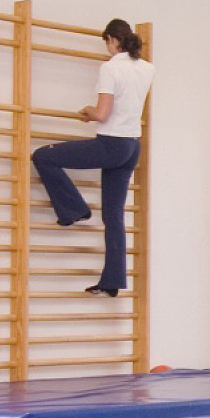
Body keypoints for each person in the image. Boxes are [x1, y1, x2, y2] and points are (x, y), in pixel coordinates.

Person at [31, 19, 154, 297]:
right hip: (132, 147)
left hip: (111, 144)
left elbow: (102, 113)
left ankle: (74, 210)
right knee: (114, 216)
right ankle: (112, 281)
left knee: (43, 156)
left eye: (107, 44)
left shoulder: (111, 68)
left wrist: (87, 112)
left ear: (111, 39)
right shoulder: (147, 68)